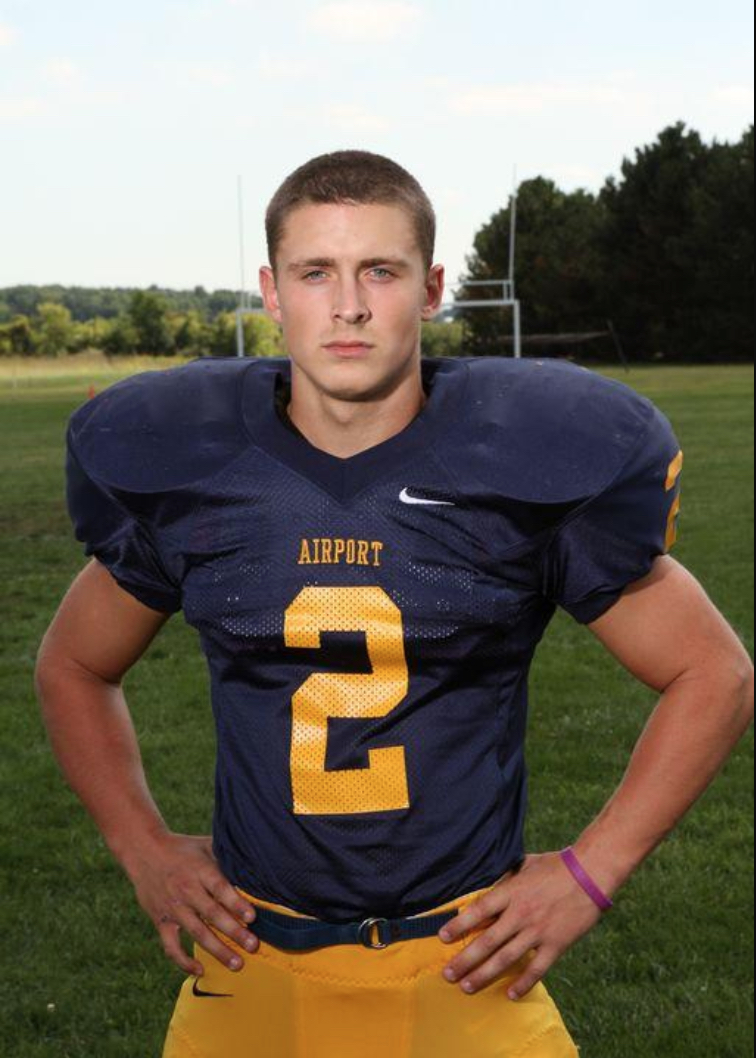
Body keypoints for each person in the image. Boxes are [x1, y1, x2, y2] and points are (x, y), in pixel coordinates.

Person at [36, 150, 753, 1058]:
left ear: (432, 288)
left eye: (380, 270)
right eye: (315, 272)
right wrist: (141, 846)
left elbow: (713, 672)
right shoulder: (199, 470)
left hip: (465, 965)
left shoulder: (522, 466)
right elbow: (72, 663)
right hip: (254, 957)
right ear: (271, 290)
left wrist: (589, 872)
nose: (348, 305)